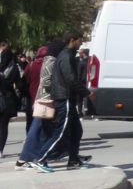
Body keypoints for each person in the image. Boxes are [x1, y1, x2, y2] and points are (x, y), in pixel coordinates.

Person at [38, 31, 91, 169]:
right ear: (72, 40)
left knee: (76, 131)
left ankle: (73, 160)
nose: (81, 44)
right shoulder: (66, 56)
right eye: (80, 41)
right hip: (64, 97)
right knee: (61, 132)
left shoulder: (67, 55)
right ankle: (41, 158)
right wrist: (87, 93)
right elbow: (71, 79)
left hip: (68, 97)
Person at [16, 41, 61, 172]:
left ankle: (29, 158)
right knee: (39, 129)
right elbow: (47, 81)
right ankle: (29, 158)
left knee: (39, 129)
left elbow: (24, 81)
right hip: (45, 100)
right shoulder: (49, 63)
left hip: (35, 98)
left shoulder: (31, 65)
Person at [0, 46, 20, 158]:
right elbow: (19, 85)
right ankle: (0, 149)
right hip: (7, 100)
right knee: (3, 126)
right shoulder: (14, 69)